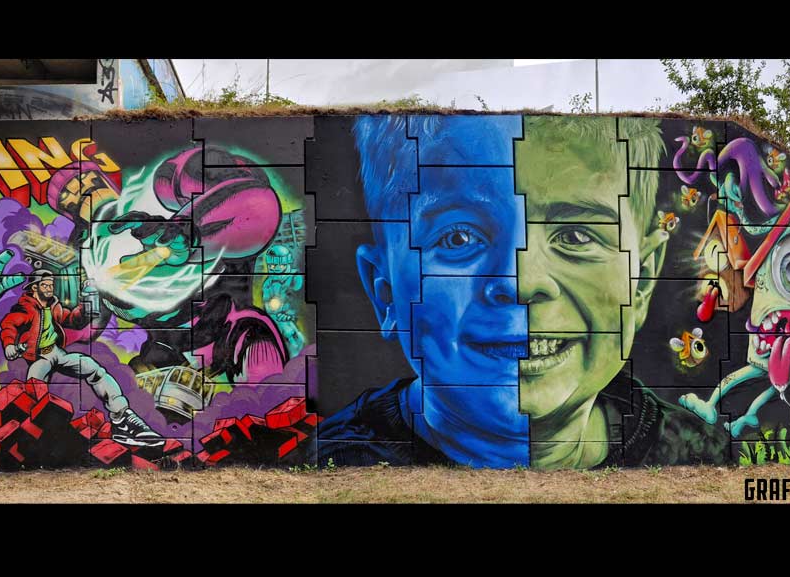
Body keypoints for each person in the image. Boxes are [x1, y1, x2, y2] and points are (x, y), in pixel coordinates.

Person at [311, 115, 727, 468]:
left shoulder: (700, 456)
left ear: (643, 280)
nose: (522, 282)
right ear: (385, 293)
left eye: (576, 236)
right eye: (458, 238)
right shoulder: (334, 464)